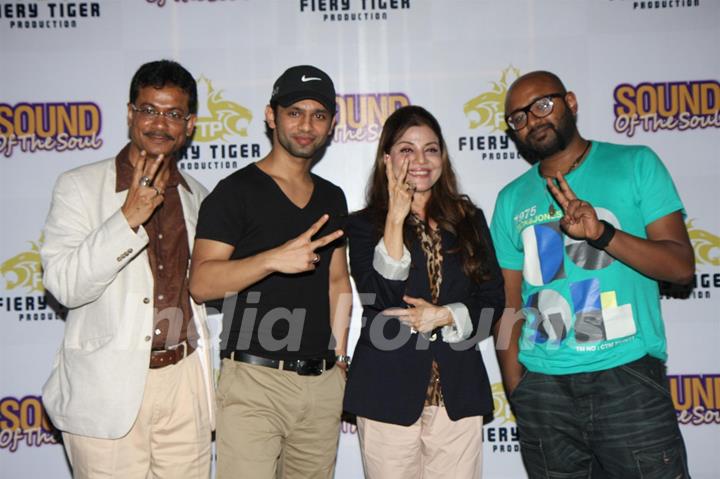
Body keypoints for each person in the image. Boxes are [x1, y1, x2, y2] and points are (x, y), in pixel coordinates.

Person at [490, 70, 694, 478]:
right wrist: (519, 388)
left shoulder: (635, 164)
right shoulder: (510, 198)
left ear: (571, 102)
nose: (532, 120)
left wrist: (602, 233)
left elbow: (681, 267)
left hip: (626, 380)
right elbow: (508, 305)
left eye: (542, 105)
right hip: (544, 391)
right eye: (519, 118)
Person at [40, 60, 215, 478]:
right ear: (130, 114)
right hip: (106, 390)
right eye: (149, 109)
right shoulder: (78, 186)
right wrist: (126, 219)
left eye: (173, 114)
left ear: (189, 124)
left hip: (184, 383)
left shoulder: (199, 198)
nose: (160, 123)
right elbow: (64, 285)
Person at [189, 65, 350, 479]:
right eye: (294, 112)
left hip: (321, 383)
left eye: (318, 114)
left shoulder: (333, 196)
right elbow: (202, 284)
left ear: (331, 124)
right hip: (255, 382)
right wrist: (272, 259)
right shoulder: (235, 192)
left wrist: (340, 356)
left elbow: (337, 282)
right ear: (270, 115)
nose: (306, 125)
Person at [343, 105, 505, 479]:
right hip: (387, 390)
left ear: (443, 157)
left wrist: (445, 315)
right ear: (387, 158)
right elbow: (381, 297)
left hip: (458, 391)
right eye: (406, 149)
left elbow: (493, 299)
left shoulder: (469, 220)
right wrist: (396, 219)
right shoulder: (364, 225)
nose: (420, 160)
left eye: (431, 149)